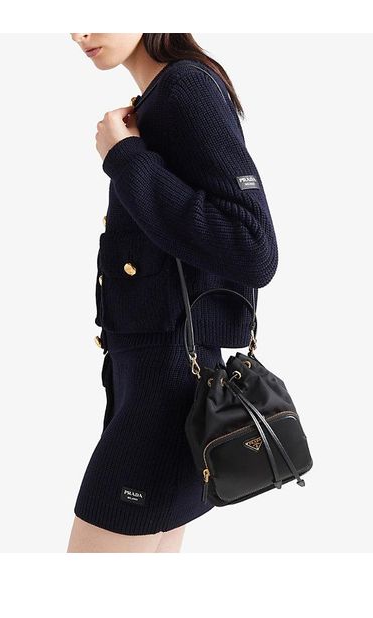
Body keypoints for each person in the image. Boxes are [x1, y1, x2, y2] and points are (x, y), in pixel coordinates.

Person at [67, 33, 278, 552]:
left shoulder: (185, 88)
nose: (79, 32)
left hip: (163, 395)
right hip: (158, 388)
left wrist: (126, 158)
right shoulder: (163, 97)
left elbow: (253, 247)